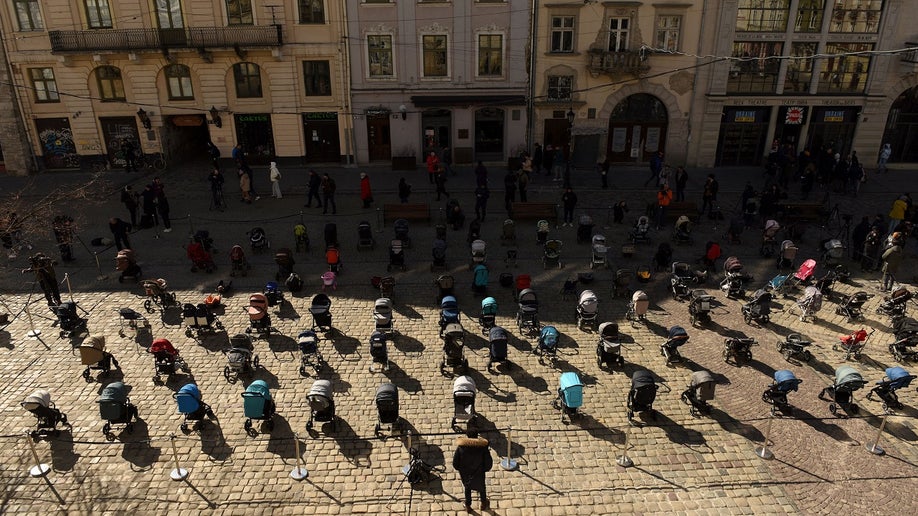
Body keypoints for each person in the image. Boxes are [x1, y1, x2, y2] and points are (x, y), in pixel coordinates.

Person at [452, 429, 492, 511]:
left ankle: (468, 505)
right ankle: (483, 504)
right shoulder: (483, 448)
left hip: (466, 474)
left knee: (467, 488)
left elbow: (455, 463)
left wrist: (461, 469)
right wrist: (483, 469)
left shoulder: (461, 448)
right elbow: (488, 463)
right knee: (482, 488)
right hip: (479, 473)